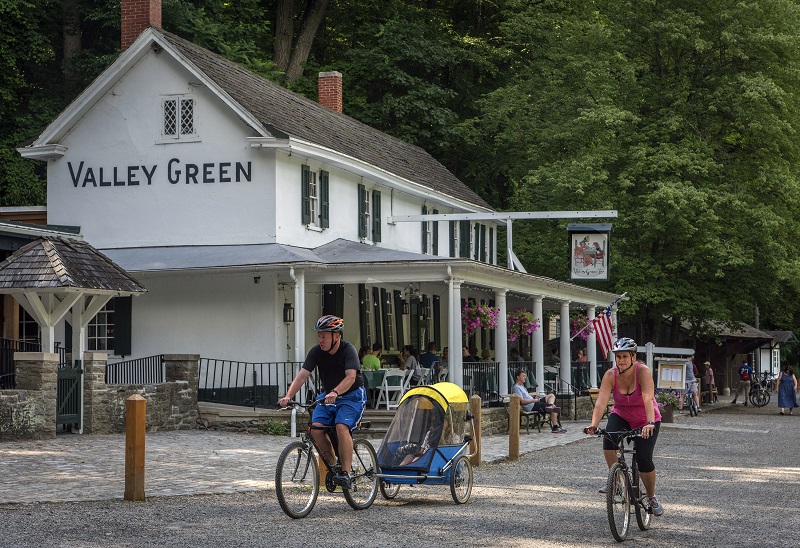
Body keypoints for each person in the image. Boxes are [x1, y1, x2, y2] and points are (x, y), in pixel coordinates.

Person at [278, 315, 366, 489]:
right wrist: (288, 396)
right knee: (315, 429)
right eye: (319, 336)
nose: (320, 340)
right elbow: (303, 375)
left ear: (336, 336)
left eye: (324, 336)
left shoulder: (348, 350)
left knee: (341, 426)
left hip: (351, 396)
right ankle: (334, 465)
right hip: (328, 396)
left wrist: (335, 391)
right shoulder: (316, 352)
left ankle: (346, 473)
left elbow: (351, 377)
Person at [585, 337, 664, 517]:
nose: (620, 361)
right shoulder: (610, 375)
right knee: (608, 441)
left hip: (646, 417)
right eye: (618, 357)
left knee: (644, 459)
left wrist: (650, 423)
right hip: (621, 414)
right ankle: (618, 482)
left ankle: (651, 497)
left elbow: (647, 399)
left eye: (624, 357)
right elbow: (601, 403)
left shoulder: (642, 372)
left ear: (633, 357)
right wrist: (593, 425)